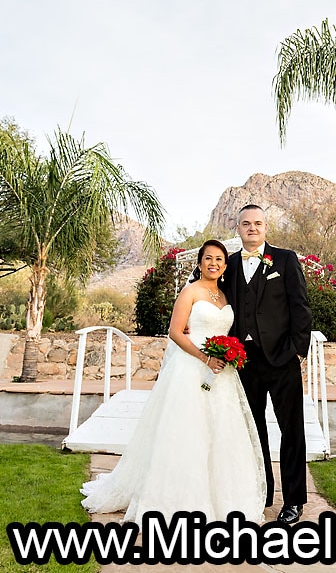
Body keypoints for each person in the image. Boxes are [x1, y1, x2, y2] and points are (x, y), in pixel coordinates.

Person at [81, 240, 265, 524]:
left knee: (221, 435)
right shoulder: (190, 291)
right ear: (200, 262)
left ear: (225, 266)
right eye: (208, 258)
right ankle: (181, 501)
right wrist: (205, 358)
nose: (213, 263)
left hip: (222, 375)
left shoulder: (226, 297)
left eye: (218, 259)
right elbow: (176, 332)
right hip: (191, 369)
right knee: (187, 433)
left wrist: (227, 354)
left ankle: (222, 501)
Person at [223, 204, 312, 524]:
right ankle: (262, 493)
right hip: (243, 361)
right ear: (238, 228)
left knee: (292, 431)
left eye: (258, 223)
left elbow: (300, 306)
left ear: (265, 227)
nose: (252, 228)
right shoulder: (228, 264)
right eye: (246, 224)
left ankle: (294, 502)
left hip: (282, 358)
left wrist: (296, 350)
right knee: (252, 430)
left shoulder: (285, 260)